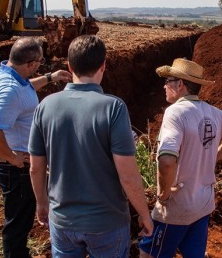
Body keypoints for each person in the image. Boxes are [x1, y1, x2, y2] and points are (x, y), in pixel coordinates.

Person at [28, 35, 153, 258]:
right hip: (106, 223)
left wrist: (41, 203)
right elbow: (128, 175)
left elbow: (36, 167)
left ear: (69, 65)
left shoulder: (45, 106)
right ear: (103, 66)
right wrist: (144, 213)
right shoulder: (113, 108)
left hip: (63, 221)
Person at [139, 58, 222, 258]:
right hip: (203, 204)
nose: (164, 86)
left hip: (176, 207)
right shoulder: (214, 112)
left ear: (180, 84)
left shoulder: (175, 113)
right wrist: (212, 156)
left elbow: (166, 162)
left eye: (168, 81)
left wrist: (163, 196)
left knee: (148, 254)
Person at [0, 37, 72, 258]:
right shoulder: (10, 90)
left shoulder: (6, 73)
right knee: (18, 222)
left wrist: (50, 78)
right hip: (16, 169)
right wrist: (12, 157)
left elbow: (25, 87)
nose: (41, 65)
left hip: (16, 165)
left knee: (21, 216)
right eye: (40, 62)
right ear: (31, 64)